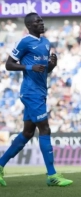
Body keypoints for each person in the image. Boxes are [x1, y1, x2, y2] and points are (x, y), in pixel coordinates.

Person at [0, 13, 73, 187]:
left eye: (41, 20)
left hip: (40, 92)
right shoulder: (25, 41)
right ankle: (52, 175)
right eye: (37, 22)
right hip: (30, 92)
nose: (41, 23)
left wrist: (52, 66)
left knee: (27, 132)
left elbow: (44, 70)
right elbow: (9, 65)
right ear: (29, 26)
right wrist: (29, 66)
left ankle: (0, 164)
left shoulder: (46, 43)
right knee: (45, 128)